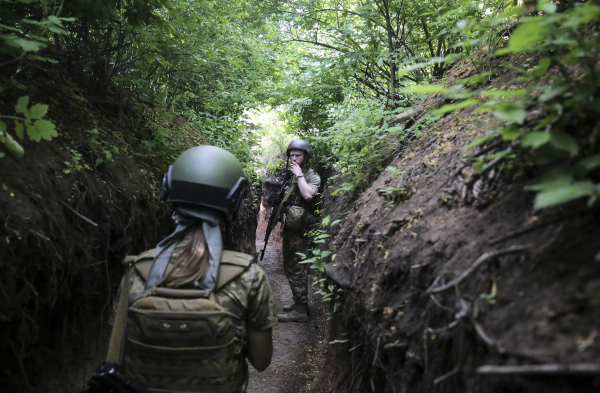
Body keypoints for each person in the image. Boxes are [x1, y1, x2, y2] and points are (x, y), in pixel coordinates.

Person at [113, 145, 277, 393]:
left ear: (171, 194)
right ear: (232, 204)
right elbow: (261, 361)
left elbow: (119, 354)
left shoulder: (137, 270)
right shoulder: (248, 277)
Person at [277, 139, 321, 323]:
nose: (294, 158)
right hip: (290, 228)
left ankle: (301, 310)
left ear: (306, 157)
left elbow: (308, 195)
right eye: (292, 155)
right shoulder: (290, 175)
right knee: (289, 265)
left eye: (298, 155)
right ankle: (299, 302)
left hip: (301, 231)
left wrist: (300, 175)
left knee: (297, 267)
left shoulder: (311, 176)